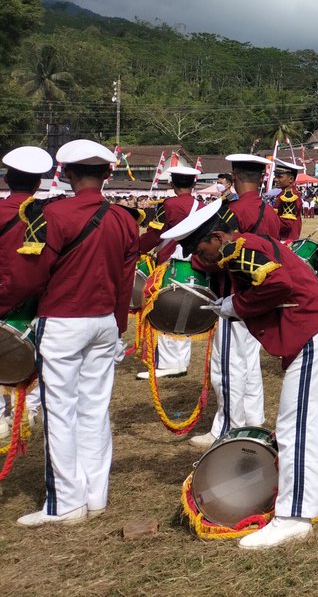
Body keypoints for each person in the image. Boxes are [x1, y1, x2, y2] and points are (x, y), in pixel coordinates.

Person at [160, 197, 318, 549]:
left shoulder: (240, 248)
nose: (201, 258)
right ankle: (307, 497)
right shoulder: (245, 246)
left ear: (217, 237)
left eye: (200, 249)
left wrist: (237, 305)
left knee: (297, 427)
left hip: (313, 332)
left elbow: (278, 285)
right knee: (312, 424)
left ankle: (293, 516)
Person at [15, 140, 138, 527]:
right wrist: (118, 325)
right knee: (94, 409)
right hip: (105, 321)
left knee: (60, 411)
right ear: (107, 174)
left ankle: (66, 502)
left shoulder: (53, 215)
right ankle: (95, 495)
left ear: (67, 174)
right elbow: (126, 279)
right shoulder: (124, 218)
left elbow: (32, 275)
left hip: (63, 320)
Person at [190, 154, 279, 449]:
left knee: (227, 365)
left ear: (236, 177)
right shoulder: (270, 212)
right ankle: (252, 418)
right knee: (249, 361)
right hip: (260, 295)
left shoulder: (231, 212)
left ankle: (226, 427)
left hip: (235, 295)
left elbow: (219, 254)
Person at [0, 145, 54, 443]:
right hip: (37, 301)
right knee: (37, 358)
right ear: (37, 183)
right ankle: (30, 411)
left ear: (7, 179)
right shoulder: (47, 215)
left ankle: (1, 419)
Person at [137, 163, 204, 379]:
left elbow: (155, 235)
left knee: (166, 306)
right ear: (194, 184)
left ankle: (168, 363)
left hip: (171, 260)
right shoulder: (202, 205)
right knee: (185, 307)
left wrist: (136, 248)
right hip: (194, 260)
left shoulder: (169, 204)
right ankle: (180, 361)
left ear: (173, 183)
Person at [271, 159, 304, 244]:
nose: (275, 179)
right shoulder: (283, 194)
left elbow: (286, 224)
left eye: (280, 177)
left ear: (291, 179)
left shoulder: (289, 196)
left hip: (285, 240)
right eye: (275, 176)